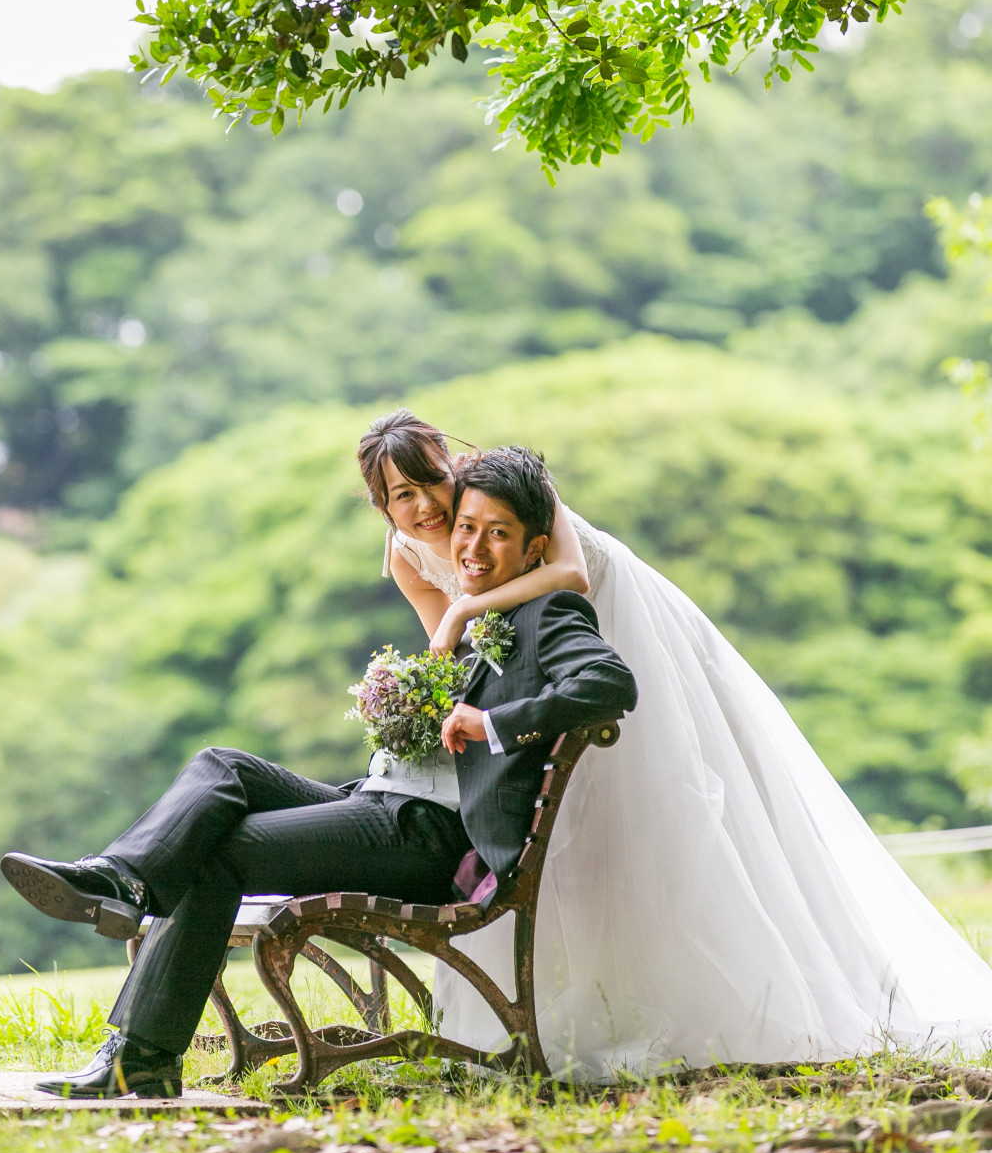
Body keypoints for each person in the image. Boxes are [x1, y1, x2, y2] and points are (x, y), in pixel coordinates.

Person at [359, 410, 992, 1079]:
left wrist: (464, 606)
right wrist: (420, 696)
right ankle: (578, 1002)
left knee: (677, 803)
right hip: (535, 661)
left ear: (452, 465)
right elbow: (461, 662)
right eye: (402, 495)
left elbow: (570, 572)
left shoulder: (504, 489)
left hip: (621, 625)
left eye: (433, 480)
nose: (426, 503)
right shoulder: (409, 556)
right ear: (383, 505)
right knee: (572, 833)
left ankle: (747, 991)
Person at [0, 448, 636, 1098]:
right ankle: (119, 879)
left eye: (497, 533)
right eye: (465, 527)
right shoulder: (481, 614)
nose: (471, 545)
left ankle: (138, 1059)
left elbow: (609, 683)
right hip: (383, 802)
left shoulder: (545, 611)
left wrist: (491, 724)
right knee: (223, 767)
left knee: (213, 852)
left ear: (534, 549)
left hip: (431, 833)